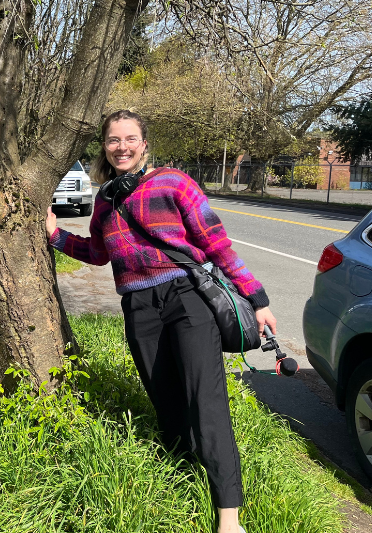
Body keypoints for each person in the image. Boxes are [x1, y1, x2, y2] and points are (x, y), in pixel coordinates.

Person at [46, 110, 276, 533]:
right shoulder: (107, 199)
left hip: (187, 299)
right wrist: (56, 235)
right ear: (104, 146)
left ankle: (229, 516)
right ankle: (185, 476)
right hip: (139, 307)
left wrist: (256, 297)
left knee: (204, 400)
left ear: (144, 143)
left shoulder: (173, 183)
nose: (122, 147)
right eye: (113, 140)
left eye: (130, 138)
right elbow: (100, 254)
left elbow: (217, 244)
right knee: (165, 397)